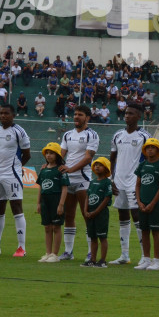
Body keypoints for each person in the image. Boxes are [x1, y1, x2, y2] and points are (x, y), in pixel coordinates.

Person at [108, 103, 152, 265]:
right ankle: (124, 255)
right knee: (122, 216)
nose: (127, 116)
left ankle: (144, 256)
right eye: (126, 113)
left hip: (135, 183)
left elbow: (151, 159)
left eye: (131, 113)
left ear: (139, 116)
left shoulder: (145, 136)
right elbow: (112, 159)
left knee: (137, 216)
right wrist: (111, 179)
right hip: (119, 181)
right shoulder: (118, 135)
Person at [0, 105, 32, 257]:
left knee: (16, 208)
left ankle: (21, 248)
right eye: (1, 113)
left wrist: (18, 168)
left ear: (13, 115)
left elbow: (27, 154)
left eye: (6, 113)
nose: (3, 116)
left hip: (12, 175)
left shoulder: (19, 131)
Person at [60, 105, 100, 261]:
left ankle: (91, 252)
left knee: (87, 215)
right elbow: (61, 155)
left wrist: (70, 169)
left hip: (83, 179)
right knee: (68, 215)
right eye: (75, 114)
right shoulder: (67, 135)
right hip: (68, 179)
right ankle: (68, 252)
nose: (76, 117)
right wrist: (54, 165)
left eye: (80, 114)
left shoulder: (92, 135)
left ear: (87, 118)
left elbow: (88, 158)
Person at [133, 138, 159, 271]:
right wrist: (139, 202)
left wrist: (153, 203)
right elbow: (137, 185)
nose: (150, 149)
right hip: (143, 204)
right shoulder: (142, 165)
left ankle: (156, 261)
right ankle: (146, 260)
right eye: (148, 147)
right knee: (144, 231)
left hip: (155, 205)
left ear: (158, 150)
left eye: (153, 147)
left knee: (155, 231)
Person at [36, 143, 69, 263]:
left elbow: (65, 188)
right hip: (45, 201)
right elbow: (40, 187)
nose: (49, 155)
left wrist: (61, 204)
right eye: (47, 153)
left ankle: (55, 254)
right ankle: (48, 253)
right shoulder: (43, 170)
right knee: (47, 227)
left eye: (51, 153)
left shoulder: (61, 170)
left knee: (56, 227)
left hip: (56, 200)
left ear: (57, 155)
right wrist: (38, 203)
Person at [81, 157, 112, 268]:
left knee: (102, 237)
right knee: (93, 237)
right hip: (90, 214)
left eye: (100, 165)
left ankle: (102, 260)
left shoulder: (107, 182)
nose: (97, 167)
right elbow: (87, 197)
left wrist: (96, 211)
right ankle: (92, 260)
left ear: (106, 168)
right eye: (96, 165)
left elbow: (107, 198)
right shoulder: (92, 182)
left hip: (101, 214)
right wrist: (85, 210)